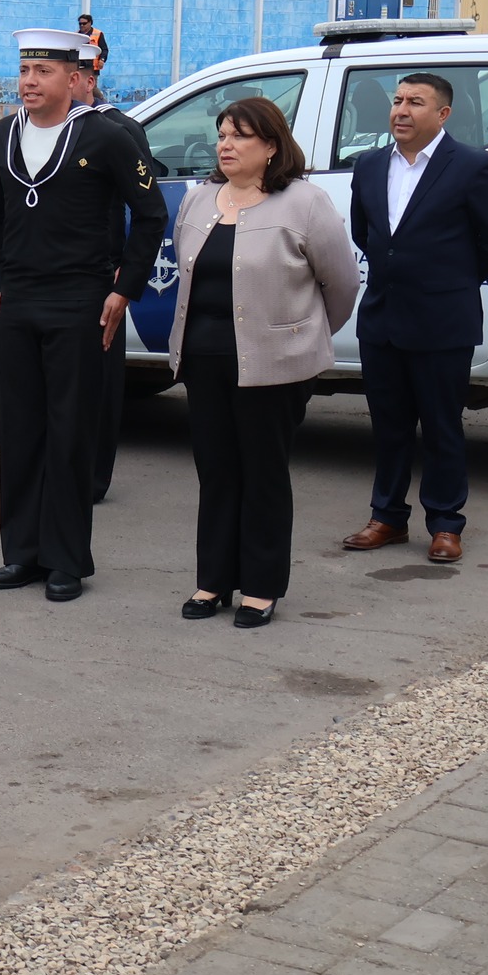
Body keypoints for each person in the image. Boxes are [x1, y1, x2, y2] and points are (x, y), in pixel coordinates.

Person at [0, 29, 166, 602]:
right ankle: (23, 554)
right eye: (25, 70)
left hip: (80, 300)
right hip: (21, 300)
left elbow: (151, 213)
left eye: (43, 72)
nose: (29, 82)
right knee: (21, 432)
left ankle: (66, 559)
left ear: (73, 77)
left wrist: (124, 290)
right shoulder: (5, 135)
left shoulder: (105, 136)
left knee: (68, 432)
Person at [168, 98, 359, 628]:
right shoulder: (200, 199)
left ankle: (260, 586)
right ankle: (212, 583)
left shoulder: (304, 203)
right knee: (217, 471)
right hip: (205, 361)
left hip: (275, 365)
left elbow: (340, 284)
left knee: (263, 473)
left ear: (271, 146)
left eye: (240, 136)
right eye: (222, 134)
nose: (225, 144)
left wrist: (300, 337)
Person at [343, 72, 488, 564]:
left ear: (442, 114)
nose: (400, 110)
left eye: (415, 102)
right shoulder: (371, 165)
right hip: (383, 318)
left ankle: (445, 523)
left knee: (442, 425)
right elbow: (368, 233)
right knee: (389, 425)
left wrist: (453, 279)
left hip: (443, 319)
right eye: (397, 100)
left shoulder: (473, 166)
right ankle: (387, 518)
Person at [72, 47, 153, 503]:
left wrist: (125, 271)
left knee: (100, 381)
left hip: (105, 269)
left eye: (78, 74)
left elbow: (139, 206)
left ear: (88, 80)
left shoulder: (120, 129)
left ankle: (94, 476)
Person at [77, 13, 107, 77]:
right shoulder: (76, 35)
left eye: (84, 23)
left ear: (90, 23)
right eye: (80, 24)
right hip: (79, 67)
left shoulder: (98, 34)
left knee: (92, 86)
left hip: (93, 68)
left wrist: (102, 60)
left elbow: (104, 49)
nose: (82, 25)